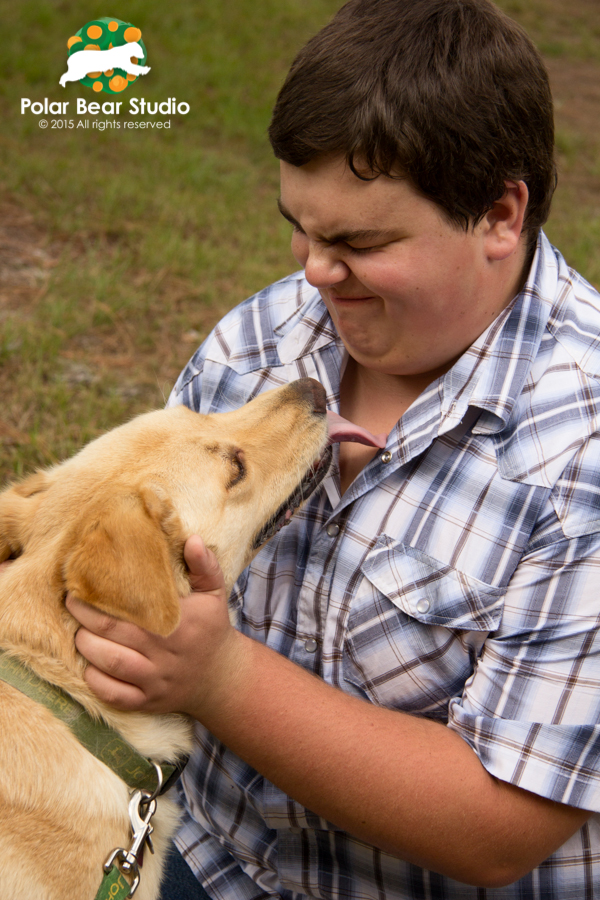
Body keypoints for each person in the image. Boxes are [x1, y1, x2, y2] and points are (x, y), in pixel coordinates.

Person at [66, 0, 600, 897]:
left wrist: (218, 677)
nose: (313, 273)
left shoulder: (579, 449)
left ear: (500, 215)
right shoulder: (262, 342)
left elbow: (497, 827)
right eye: (303, 228)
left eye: (359, 241)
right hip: (205, 858)